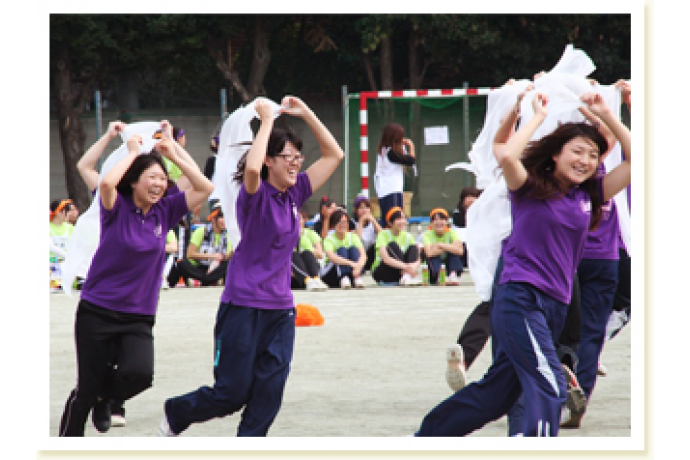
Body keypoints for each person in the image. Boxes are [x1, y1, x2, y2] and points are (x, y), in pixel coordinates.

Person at [416, 90, 631, 437]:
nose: (586, 160)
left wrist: (606, 114)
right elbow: (508, 156)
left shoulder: (588, 195)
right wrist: (535, 117)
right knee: (550, 386)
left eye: (593, 155)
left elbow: (638, 159)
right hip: (521, 300)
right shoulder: (527, 187)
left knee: (497, 395)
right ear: (555, 155)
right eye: (577, 151)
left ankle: (429, 438)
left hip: (555, 308)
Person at [159, 95, 344, 437]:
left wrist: (307, 114)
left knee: (268, 396)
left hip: (280, 310)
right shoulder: (253, 195)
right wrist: (267, 123)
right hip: (242, 305)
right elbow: (253, 169)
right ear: (271, 160)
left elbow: (335, 155)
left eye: (298, 157)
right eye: (288, 157)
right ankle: (176, 412)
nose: (296, 164)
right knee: (231, 393)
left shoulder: (295, 193)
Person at [58, 120, 214, 437]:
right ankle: (68, 442)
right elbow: (105, 184)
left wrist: (174, 150)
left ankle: (108, 397)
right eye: (151, 178)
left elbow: (205, 188)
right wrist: (131, 151)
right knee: (85, 390)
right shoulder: (115, 207)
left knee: (140, 374)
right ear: (134, 182)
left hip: (138, 315)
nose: (159, 183)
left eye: (162, 178)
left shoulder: (166, 211)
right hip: (97, 310)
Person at [169, 202, 232, 287]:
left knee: (229, 264)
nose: (224, 220)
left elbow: (227, 257)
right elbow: (190, 254)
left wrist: (231, 254)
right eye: (221, 217)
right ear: (213, 219)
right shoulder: (201, 231)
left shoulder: (228, 235)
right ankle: (208, 280)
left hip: (215, 268)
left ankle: (204, 280)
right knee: (181, 263)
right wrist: (212, 256)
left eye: (226, 217)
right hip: (199, 267)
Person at [373, 123, 416, 228]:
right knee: (392, 219)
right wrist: (411, 145)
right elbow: (411, 160)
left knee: (393, 218)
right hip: (390, 190)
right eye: (400, 137)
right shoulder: (390, 152)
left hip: (390, 189)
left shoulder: (385, 150)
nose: (402, 139)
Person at [371, 207, 422, 286]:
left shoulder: (408, 236)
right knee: (392, 245)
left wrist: (412, 267)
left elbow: (418, 259)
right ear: (390, 223)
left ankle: (407, 276)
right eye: (398, 219)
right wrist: (407, 268)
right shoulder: (383, 234)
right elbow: (386, 259)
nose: (402, 221)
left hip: (400, 272)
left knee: (413, 247)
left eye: (403, 218)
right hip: (384, 271)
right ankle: (407, 275)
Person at [321, 209, 366, 289]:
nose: (343, 225)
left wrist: (358, 267)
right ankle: (344, 277)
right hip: (331, 275)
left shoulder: (353, 236)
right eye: (339, 222)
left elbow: (363, 255)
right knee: (342, 249)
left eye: (345, 222)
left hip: (352, 273)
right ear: (333, 225)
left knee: (353, 249)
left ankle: (356, 277)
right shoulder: (329, 239)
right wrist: (352, 264)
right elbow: (332, 257)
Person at [420, 208, 464, 286]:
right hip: (434, 271)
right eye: (436, 220)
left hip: (449, 266)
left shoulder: (452, 233)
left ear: (446, 222)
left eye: (442, 219)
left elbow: (460, 251)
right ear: (432, 223)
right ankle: (440, 277)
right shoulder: (427, 234)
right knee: (435, 255)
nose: (439, 222)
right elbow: (429, 253)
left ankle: (452, 275)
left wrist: (440, 245)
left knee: (454, 253)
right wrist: (449, 247)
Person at [292, 209, 328, 291]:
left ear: (303, 221)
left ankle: (316, 279)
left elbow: (320, 254)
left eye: (299, 219)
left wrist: (305, 250)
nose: (297, 222)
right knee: (293, 255)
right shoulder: (286, 236)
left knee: (307, 253)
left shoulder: (309, 234)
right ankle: (307, 280)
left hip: (310, 267)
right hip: (293, 273)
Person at [352, 194, 382, 273]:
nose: (364, 210)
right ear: (356, 210)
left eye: (367, 207)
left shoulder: (375, 222)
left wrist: (374, 221)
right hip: (358, 256)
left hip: (371, 255)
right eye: (361, 208)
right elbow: (356, 240)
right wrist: (361, 222)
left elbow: (383, 237)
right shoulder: (351, 223)